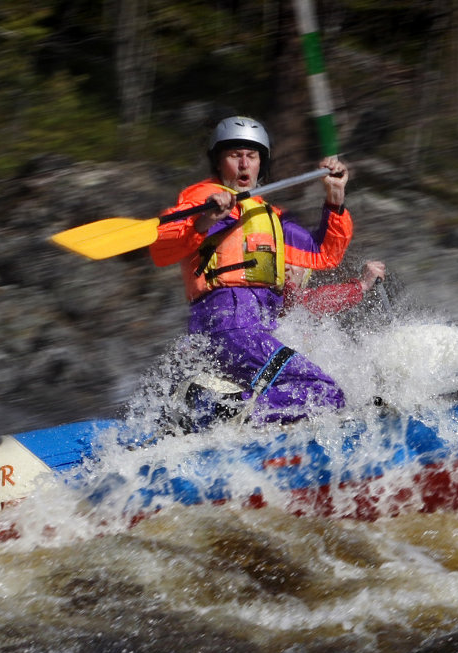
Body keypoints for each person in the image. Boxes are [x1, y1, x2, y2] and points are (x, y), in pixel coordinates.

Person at [149, 115, 358, 425]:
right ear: (219, 163)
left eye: (252, 156)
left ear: (262, 164)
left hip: (249, 329)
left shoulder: (271, 218)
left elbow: (324, 253)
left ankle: (218, 415)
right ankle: (215, 416)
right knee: (324, 393)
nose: (244, 164)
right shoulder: (199, 203)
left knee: (308, 395)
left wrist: (335, 196)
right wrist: (206, 218)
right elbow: (162, 249)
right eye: (235, 156)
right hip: (230, 325)